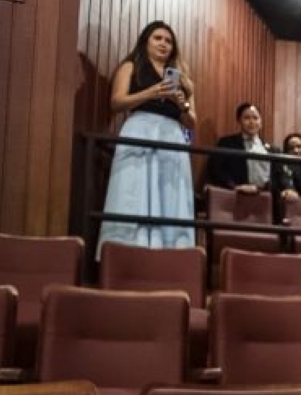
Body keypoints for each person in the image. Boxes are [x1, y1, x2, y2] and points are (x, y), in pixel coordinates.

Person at [98, 20, 197, 257]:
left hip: (172, 135)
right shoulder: (131, 66)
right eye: (158, 38)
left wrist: (181, 104)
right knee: (132, 188)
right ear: (146, 41)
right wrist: (150, 92)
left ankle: (171, 253)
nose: (164, 44)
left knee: (170, 192)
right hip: (139, 128)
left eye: (169, 40)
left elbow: (192, 124)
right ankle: (126, 250)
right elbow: (116, 102)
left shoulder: (183, 79)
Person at [207, 103, 275, 193]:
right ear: (239, 121)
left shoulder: (271, 149)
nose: (252, 122)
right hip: (234, 194)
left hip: (263, 197)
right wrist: (235, 186)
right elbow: (216, 169)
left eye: (255, 118)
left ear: (261, 122)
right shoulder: (226, 143)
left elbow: (276, 177)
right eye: (247, 118)